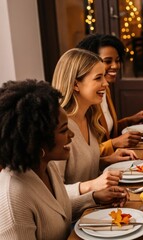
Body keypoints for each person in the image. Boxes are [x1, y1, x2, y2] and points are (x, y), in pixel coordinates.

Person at [0, 80, 128, 239]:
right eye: (63, 131)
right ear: (38, 140)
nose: (72, 135)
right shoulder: (14, 199)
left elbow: (58, 213)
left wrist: (94, 198)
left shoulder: (46, 165)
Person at [51, 48, 137, 197]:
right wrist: (90, 186)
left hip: (94, 206)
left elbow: (80, 170)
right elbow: (52, 193)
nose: (106, 83)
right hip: (75, 216)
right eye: (98, 78)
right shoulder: (58, 128)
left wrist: (107, 160)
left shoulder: (89, 116)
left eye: (104, 76)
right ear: (75, 84)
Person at [76, 34, 143, 156]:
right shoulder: (85, 101)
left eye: (117, 60)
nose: (115, 66)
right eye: (108, 61)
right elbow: (84, 156)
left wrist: (129, 121)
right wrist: (114, 143)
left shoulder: (105, 90)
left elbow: (106, 131)